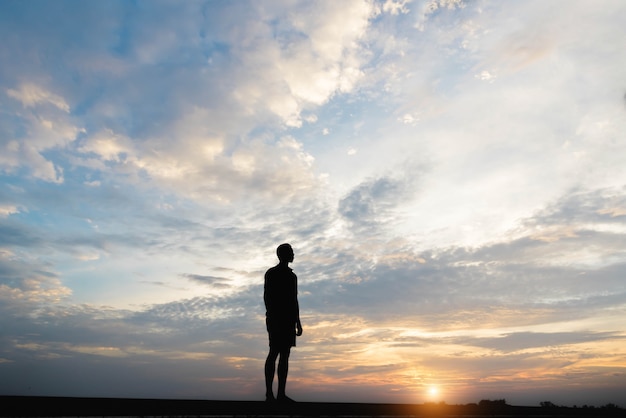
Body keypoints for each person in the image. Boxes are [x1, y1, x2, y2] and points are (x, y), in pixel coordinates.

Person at [264, 243, 303, 402]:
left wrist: (297, 322)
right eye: (291, 252)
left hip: (288, 320)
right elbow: (267, 297)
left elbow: (294, 300)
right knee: (274, 352)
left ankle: (280, 394)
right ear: (283, 254)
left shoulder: (292, 276)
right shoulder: (272, 273)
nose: (293, 254)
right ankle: (269, 393)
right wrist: (273, 315)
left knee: (285, 355)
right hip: (276, 319)